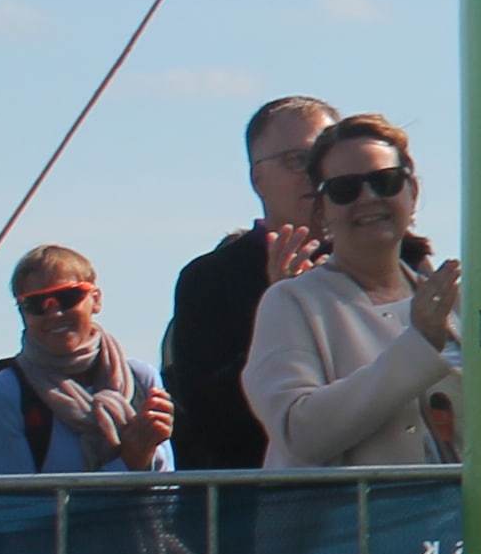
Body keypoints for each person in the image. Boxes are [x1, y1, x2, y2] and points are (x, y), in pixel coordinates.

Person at [246, 116, 465, 469]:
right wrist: (418, 344)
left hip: (459, 521)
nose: (369, 198)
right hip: (352, 523)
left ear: (413, 192)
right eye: (345, 189)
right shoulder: (292, 303)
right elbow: (299, 433)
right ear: (321, 209)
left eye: (386, 181)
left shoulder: (454, 303)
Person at [163, 95, 333, 472]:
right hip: (258, 507)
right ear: (258, 177)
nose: (314, 172)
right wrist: (280, 313)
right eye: (296, 160)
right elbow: (214, 424)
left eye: (325, 156)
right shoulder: (209, 280)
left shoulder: (390, 265)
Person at [0, 247, 175, 473]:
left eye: (68, 297)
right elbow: (15, 505)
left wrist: (145, 456)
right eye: (36, 304)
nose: (54, 313)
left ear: (96, 300)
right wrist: (128, 463)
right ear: (22, 313)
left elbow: (170, 492)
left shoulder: (141, 378)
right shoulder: (4, 392)